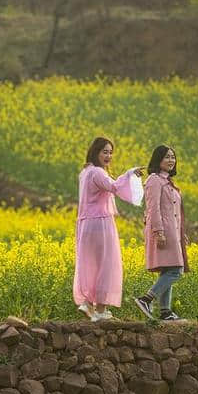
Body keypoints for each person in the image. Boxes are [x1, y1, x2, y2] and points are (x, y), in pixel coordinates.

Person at [74, 137, 143, 322]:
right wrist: (130, 174)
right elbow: (114, 187)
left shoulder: (85, 172)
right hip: (100, 222)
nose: (109, 156)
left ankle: (87, 303)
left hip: (85, 224)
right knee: (107, 263)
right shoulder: (97, 173)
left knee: (90, 264)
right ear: (95, 152)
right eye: (105, 151)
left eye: (111, 152)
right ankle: (101, 310)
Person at [135, 145, 189, 322]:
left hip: (173, 232)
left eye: (173, 157)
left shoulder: (168, 182)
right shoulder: (154, 180)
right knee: (176, 270)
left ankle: (166, 312)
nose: (171, 160)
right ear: (158, 159)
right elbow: (153, 209)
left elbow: (174, 212)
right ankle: (146, 299)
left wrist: (182, 234)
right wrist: (158, 232)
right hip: (163, 230)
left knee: (168, 268)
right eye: (167, 157)